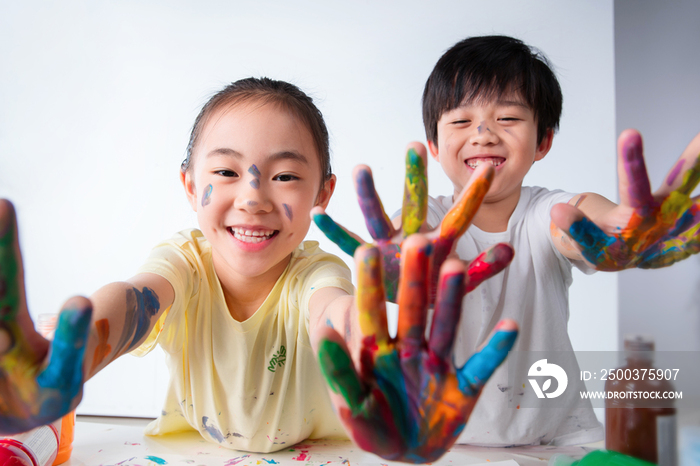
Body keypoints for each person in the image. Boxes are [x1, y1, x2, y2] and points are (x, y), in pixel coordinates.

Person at [0, 77, 521, 463]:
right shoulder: (185, 262)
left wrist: (376, 363)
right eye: (226, 171)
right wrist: (75, 356)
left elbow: (335, 314)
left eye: (285, 175)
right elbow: (134, 301)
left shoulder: (314, 272)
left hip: (326, 453)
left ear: (323, 194)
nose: (252, 197)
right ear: (189, 186)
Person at [314, 35, 700, 446]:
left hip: (559, 440)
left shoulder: (544, 211)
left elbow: (583, 222)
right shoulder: (425, 220)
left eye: (508, 118)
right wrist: (408, 267)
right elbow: (408, 246)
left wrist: (623, 230)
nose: (483, 134)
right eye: (461, 121)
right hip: (444, 439)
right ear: (434, 145)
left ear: (543, 142)